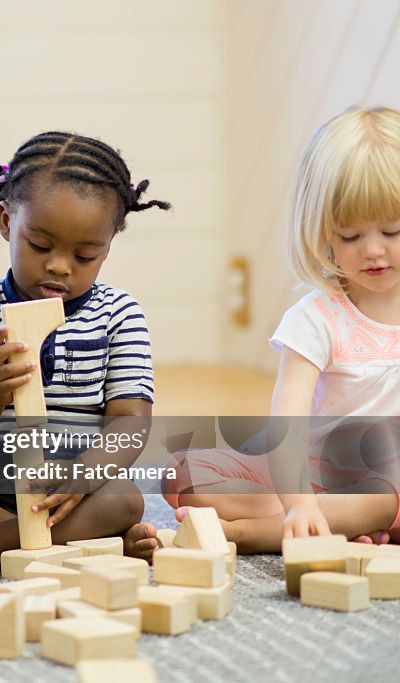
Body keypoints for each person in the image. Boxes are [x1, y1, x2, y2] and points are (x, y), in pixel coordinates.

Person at [0, 131, 171, 564]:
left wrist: (82, 475)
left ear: (108, 246)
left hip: (75, 490)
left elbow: (130, 423)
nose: (59, 266)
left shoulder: (120, 314)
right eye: (40, 245)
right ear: (7, 221)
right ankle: (75, 542)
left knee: (124, 499)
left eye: (85, 256)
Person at [162, 107, 400, 553]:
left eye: (392, 230)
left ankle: (251, 534)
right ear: (322, 231)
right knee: (183, 473)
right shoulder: (316, 318)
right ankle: (311, 521)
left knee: (379, 493)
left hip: (385, 486)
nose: (373, 250)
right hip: (310, 472)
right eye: (350, 236)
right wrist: (299, 501)